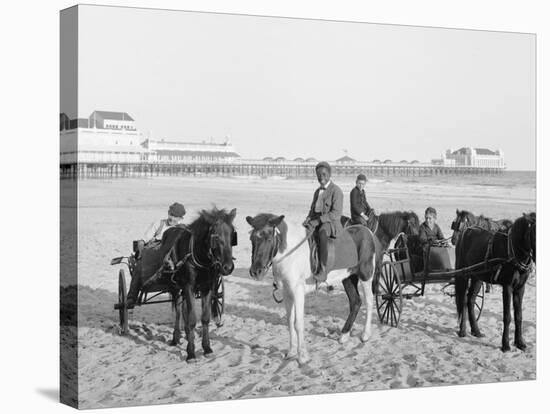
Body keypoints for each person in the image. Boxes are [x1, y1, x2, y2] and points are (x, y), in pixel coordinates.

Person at [127, 202, 186, 307]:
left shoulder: (182, 229)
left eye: (176, 217)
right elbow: (143, 240)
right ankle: (131, 297)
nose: (172, 219)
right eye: (171, 215)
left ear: (181, 218)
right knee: (139, 268)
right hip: (154, 252)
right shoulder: (159, 224)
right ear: (168, 213)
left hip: (174, 256)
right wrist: (141, 254)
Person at [303, 161, 344, 282]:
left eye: (324, 174)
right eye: (319, 175)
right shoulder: (317, 192)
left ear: (329, 174)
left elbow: (336, 213)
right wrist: (308, 220)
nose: (321, 177)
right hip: (317, 220)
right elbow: (312, 210)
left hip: (331, 224)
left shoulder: (336, 191)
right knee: (304, 232)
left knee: (322, 233)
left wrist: (318, 221)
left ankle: (323, 269)